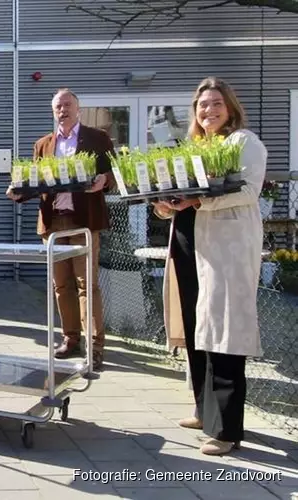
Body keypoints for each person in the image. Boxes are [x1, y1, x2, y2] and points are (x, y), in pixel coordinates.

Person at [151, 77, 267, 456]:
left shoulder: (244, 142)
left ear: (230, 107)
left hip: (225, 249)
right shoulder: (192, 147)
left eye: (216, 103)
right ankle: (204, 410)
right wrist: (166, 203)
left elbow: (247, 192)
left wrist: (196, 202)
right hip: (189, 244)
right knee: (198, 329)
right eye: (203, 105)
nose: (209, 110)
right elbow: (173, 198)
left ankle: (227, 430)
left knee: (225, 333)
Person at [7, 88, 115, 371]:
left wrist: (104, 180)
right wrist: (19, 191)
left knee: (87, 286)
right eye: (58, 106)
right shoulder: (43, 144)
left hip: (84, 222)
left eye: (67, 105)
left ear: (78, 109)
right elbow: (36, 181)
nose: (63, 110)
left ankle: (95, 347)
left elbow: (115, 174)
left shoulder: (97, 138)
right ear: (53, 111)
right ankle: (70, 338)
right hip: (53, 223)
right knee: (61, 286)